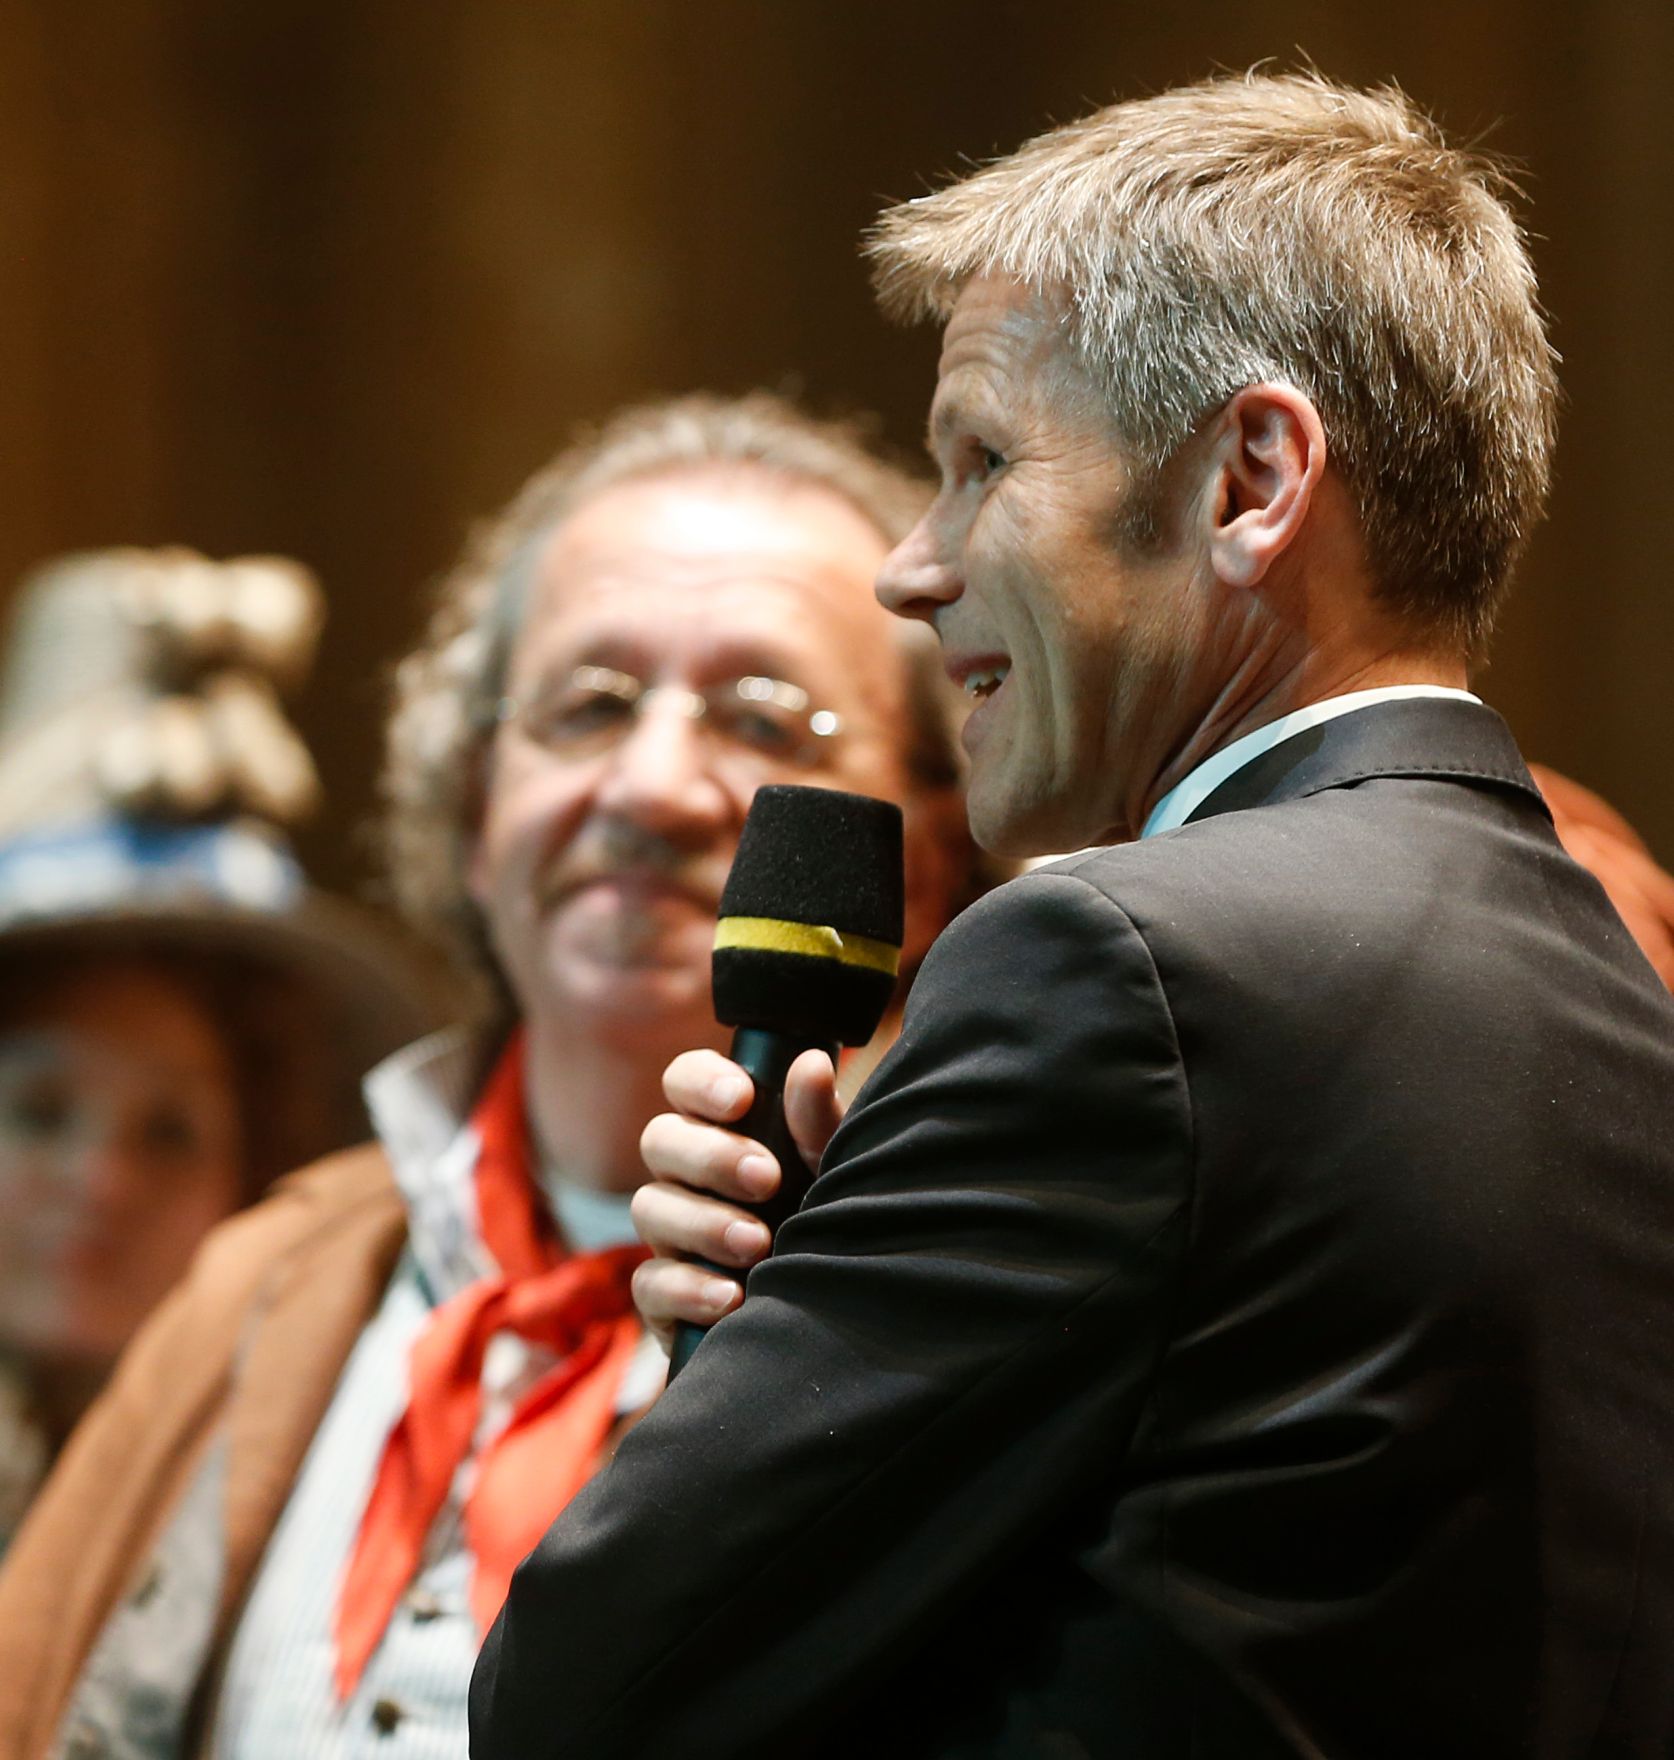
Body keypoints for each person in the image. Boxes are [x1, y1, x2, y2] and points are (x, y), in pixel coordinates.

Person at [471, 74, 1674, 1757]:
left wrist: (740, 1397)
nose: (911, 564)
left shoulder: (1115, 966)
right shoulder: (1624, 1009)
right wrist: (832, 1287)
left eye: (978, 461)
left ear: (1250, 479)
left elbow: (595, 1695)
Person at [0, 395, 981, 1758]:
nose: (649, 786)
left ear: (929, 850)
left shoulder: (985, 1309)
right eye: (587, 705)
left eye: (765, 720)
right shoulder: (273, 1279)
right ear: (473, 810)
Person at [0, 549, 442, 1560]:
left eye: (170, 1131)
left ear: (256, 1165)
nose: (100, 1180)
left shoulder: (300, 1507)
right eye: (38, 1111)